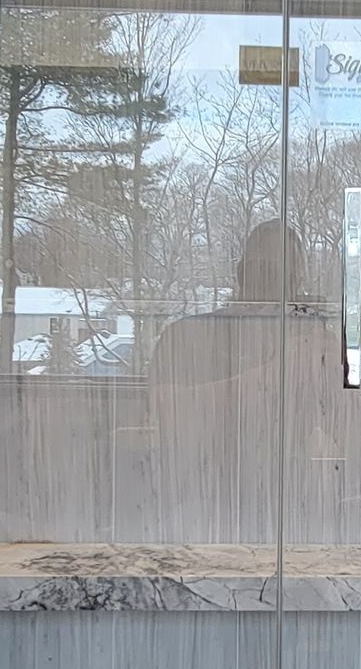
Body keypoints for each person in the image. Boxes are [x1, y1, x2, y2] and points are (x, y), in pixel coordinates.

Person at [146, 219, 341, 542]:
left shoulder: (312, 345)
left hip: (288, 510)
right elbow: (165, 416)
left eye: (288, 275)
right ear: (241, 273)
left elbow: (358, 433)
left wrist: (335, 360)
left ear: (298, 283)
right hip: (199, 506)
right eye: (265, 269)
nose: (275, 283)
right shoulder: (187, 337)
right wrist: (272, 374)